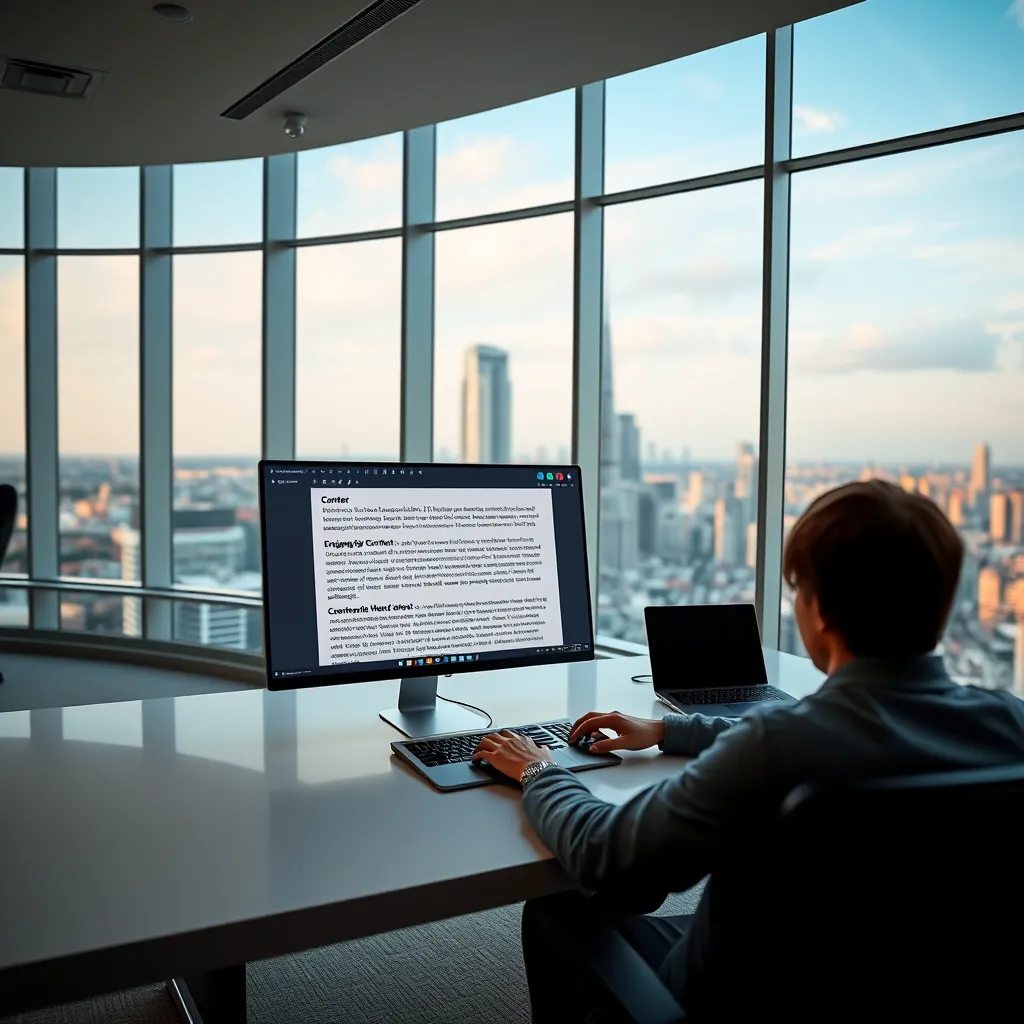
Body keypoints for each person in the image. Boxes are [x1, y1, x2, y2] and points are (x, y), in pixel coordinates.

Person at [472, 480, 1024, 1022]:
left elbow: (605, 851)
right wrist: (668, 731)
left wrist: (539, 769)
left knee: (557, 911)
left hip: (744, 992)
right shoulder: (1011, 724)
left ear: (820, 613)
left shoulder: (777, 749)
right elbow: (820, 735)